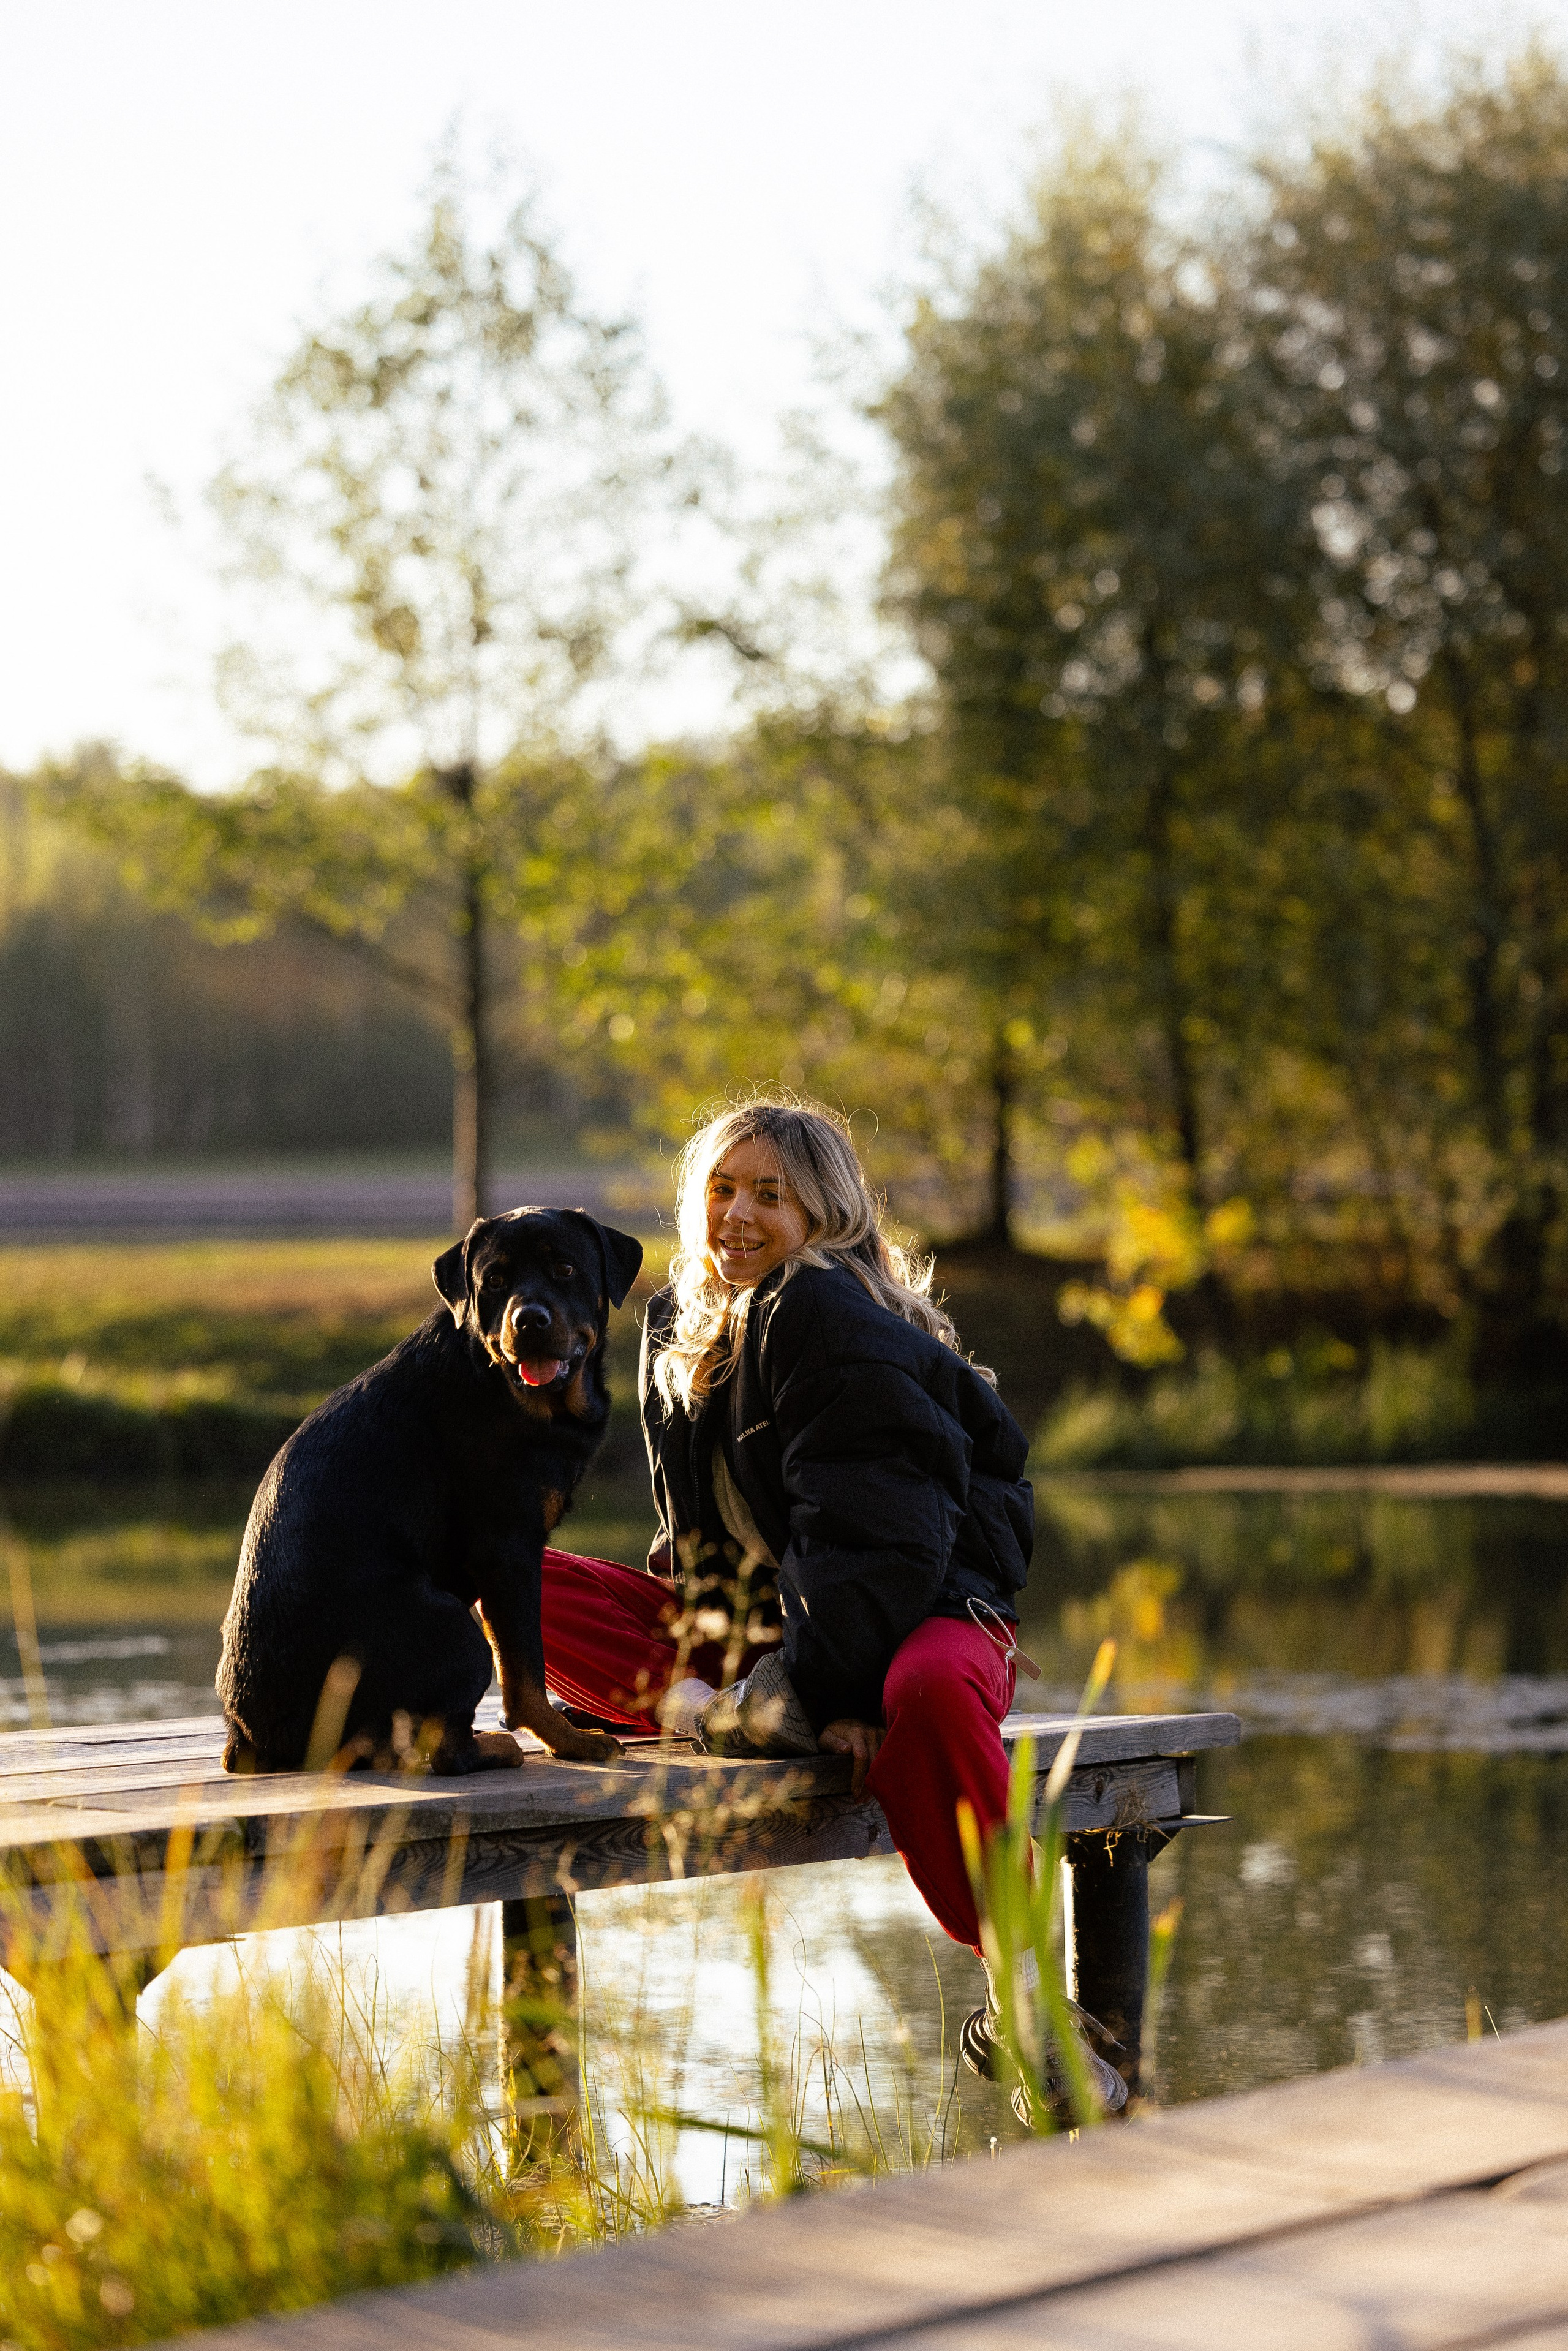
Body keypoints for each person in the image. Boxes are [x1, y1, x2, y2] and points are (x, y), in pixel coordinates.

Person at [537, 1095, 1125, 2113]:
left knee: (927, 1695)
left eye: (772, 1193)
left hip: (927, 1609)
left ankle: (1023, 1998)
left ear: (827, 1212)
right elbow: (696, 1539)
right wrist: (725, 1655)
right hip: (781, 1633)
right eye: (722, 1189)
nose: (739, 1215)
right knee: (509, 1579)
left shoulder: (828, 1310)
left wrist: (836, 1686)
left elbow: (880, 1543)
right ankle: (737, 1712)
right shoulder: (681, 1323)